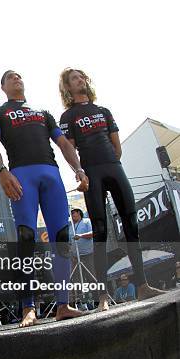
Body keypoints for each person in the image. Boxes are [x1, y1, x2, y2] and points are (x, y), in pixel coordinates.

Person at [0, 70, 88, 327]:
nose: (17, 79)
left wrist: (78, 168)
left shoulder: (42, 112)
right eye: (10, 77)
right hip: (21, 176)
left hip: (51, 174)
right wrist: (2, 172)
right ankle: (28, 308)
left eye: (19, 76)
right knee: (27, 238)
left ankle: (63, 305)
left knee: (62, 237)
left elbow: (64, 143)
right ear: (3, 86)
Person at [58, 68, 164, 311]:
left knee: (131, 225)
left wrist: (111, 163)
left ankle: (142, 286)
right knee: (100, 232)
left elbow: (116, 144)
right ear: (67, 87)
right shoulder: (68, 115)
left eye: (81, 76)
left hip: (113, 167)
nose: (80, 80)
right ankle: (103, 296)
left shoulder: (103, 111)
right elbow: (69, 149)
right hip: (91, 171)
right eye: (74, 78)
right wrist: (81, 171)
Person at [69, 208, 95, 280]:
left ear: (79, 212)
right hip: (75, 257)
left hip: (87, 255)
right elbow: (70, 243)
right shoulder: (71, 227)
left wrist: (81, 236)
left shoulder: (86, 221)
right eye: (71, 213)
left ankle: (95, 291)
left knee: (91, 275)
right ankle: (81, 291)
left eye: (73, 212)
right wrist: (71, 254)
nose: (71, 215)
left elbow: (92, 233)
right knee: (77, 278)